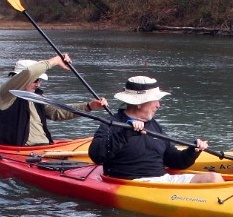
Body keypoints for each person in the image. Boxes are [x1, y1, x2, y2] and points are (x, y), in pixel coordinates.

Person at [87, 76, 223, 184]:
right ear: (139, 103)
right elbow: (96, 156)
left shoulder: (154, 125)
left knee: (214, 178)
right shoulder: (111, 124)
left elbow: (175, 161)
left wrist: (193, 151)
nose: (159, 105)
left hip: (161, 180)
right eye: (155, 100)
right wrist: (126, 133)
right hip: (132, 184)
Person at [0, 54, 108, 146]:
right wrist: (56, 60)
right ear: (21, 80)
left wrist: (89, 106)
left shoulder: (37, 97)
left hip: (43, 147)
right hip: (18, 151)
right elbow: (29, 73)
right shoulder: (6, 93)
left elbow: (57, 112)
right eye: (36, 80)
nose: (38, 84)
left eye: (40, 80)